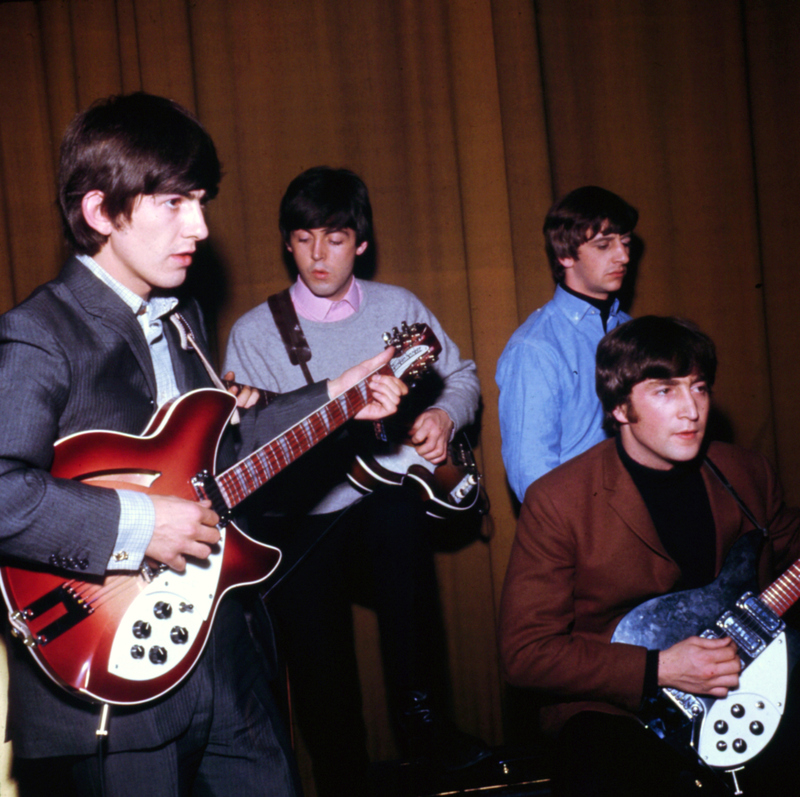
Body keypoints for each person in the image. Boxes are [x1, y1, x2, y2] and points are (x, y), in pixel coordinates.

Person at [0, 94, 406, 796]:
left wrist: (336, 397)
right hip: (111, 683)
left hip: (223, 651)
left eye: (202, 200)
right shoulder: (41, 332)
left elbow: (222, 448)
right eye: (174, 203)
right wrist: (141, 523)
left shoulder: (182, 313)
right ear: (100, 212)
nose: (200, 226)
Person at [224, 166, 488, 796]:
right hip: (302, 523)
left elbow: (465, 375)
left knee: (395, 514)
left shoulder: (399, 308)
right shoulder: (255, 335)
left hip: (385, 512)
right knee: (322, 669)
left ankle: (424, 722)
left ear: (360, 242)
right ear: (286, 242)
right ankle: (341, 772)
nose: (319, 254)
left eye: (336, 238)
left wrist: (442, 415)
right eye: (304, 237)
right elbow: (241, 454)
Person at [498, 315, 800, 796]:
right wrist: (659, 668)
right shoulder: (559, 500)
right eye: (664, 391)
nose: (691, 411)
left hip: (752, 678)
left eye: (699, 388)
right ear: (620, 407)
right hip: (617, 708)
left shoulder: (748, 472)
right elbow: (526, 655)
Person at [496, 186, 638, 502]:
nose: (624, 256)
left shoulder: (632, 331)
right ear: (564, 255)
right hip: (583, 524)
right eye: (604, 245)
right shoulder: (534, 347)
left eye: (625, 243)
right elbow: (532, 479)